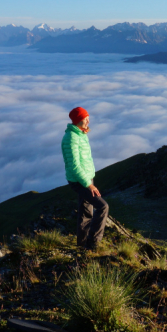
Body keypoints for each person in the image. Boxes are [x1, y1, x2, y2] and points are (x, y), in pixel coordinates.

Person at [61, 106, 108, 250]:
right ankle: (93, 244)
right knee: (103, 207)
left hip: (86, 178)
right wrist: (89, 184)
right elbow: (74, 166)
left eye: (87, 117)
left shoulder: (80, 134)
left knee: (86, 210)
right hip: (80, 181)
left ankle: (82, 244)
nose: (88, 121)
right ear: (77, 120)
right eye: (85, 118)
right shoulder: (71, 138)